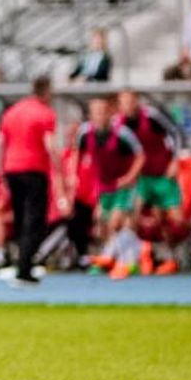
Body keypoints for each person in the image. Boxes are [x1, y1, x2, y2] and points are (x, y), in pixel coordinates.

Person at [71, 97, 145, 280]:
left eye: (103, 112)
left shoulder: (122, 133)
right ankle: (136, 253)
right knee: (101, 225)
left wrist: (129, 177)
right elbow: (76, 154)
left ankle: (116, 261)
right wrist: (73, 176)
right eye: (96, 112)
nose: (99, 116)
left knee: (115, 221)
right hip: (104, 184)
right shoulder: (84, 132)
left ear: (110, 113)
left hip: (124, 185)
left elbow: (140, 156)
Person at [0, 76, 61, 287]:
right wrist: (60, 171)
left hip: (12, 169)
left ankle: (21, 262)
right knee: (35, 221)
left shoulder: (12, 112)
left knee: (20, 219)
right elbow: (50, 144)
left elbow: (1, 142)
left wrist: (2, 169)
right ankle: (23, 269)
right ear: (47, 91)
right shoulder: (45, 113)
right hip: (33, 169)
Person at [115, 91, 184, 275]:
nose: (127, 106)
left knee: (174, 220)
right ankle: (130, 259)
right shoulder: (119, 124)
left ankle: (185, 246)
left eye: (130, 101)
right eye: (123, 103)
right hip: (142, 178)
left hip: (163, 175)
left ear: (136, 101)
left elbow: (175, 133)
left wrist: (175, 160)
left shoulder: (152, 116)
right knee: (131, 215)